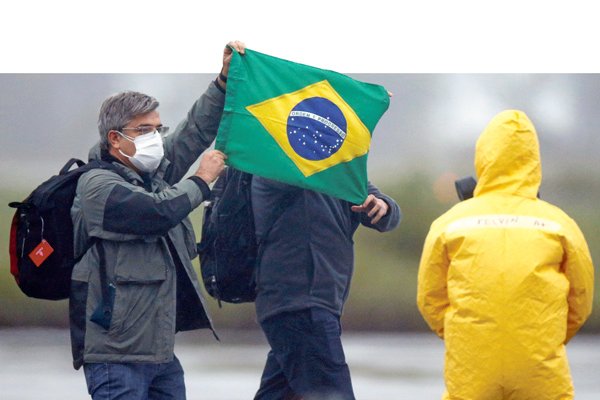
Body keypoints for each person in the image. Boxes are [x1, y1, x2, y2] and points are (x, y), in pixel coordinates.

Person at [69, 41, 246, 399]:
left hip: (160, 355)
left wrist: (224, 82)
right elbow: (155, 213)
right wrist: (201, 180)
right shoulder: (97, 185)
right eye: (144, 130)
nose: (156, 137)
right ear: (115, 138)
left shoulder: (156, 174)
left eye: (158, 128)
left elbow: (195, 130)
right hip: (115, 358)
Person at [417, 110, 594, 399]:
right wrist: (544, 339)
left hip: (471, 362)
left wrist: (465, 335)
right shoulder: (560, 223)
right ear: (533, 159)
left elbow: (430, 298)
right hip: (540, 366)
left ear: (484, 157)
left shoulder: (450, 222)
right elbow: (581, 299)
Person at [251, 177, 401, 400]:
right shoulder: (277, 163)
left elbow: (388, 217)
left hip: (316, 304)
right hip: (301, 303)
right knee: (332, 394)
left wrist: (383, 206)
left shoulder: (336, 168)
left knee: (278, 393)